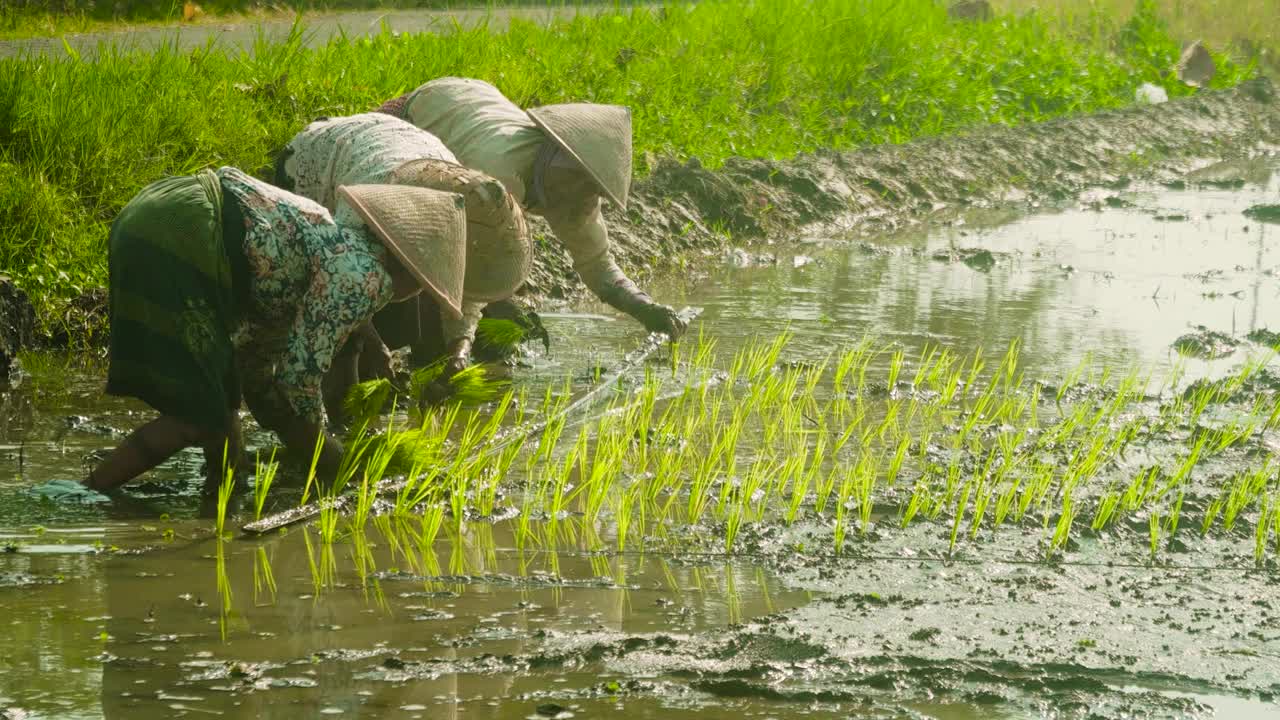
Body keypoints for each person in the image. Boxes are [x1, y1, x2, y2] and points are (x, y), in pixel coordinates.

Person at [84, 167, 470, 493]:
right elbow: (299, 376)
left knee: (220, 403)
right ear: (414, 272)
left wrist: (283, 429)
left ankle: (223, 488)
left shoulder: (323, 238)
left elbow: (255, 368)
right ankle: (87, 494)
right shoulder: (366, 278)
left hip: (155, 212)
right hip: (186, 234)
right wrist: (329, 456)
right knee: (198, 415)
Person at [376, 77, 687, 340]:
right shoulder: (496, 174)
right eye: (579, 183)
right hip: (415, 119)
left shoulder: (574, 195)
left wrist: (646, 308)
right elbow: (462, 260)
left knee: (499, 308)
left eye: (592, 191)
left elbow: (598, 264)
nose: (583, 197)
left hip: (472, 102)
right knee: (412, 261)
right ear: (556, 157)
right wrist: (469, 332)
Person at [274, 113, 530, 392]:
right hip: (312, 157)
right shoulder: (378, 198)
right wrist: (374, 343)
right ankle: (342, 407)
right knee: (348, 324)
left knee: (416, 308)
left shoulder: (466, 210)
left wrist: (459, 355)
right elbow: (339, 274)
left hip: (396, 143)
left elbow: (463, 299)